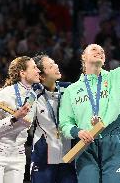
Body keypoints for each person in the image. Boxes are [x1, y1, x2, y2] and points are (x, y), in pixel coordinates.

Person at [59, 15, 120, 183]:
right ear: (83, 57)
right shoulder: (71, 91)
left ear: (104, 60)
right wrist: (77, 132)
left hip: (113, 140)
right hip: (86, 145)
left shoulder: (115, 79)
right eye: (94, 49)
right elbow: (64, 124)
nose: (99, 51)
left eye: (102, 52)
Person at [0, 56, 40, 183]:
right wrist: (14, 118)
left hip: (17, 155)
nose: (38, 71)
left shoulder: (33, 97)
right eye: (34, 67)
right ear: (22, 73)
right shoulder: (5, 94)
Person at [30, 54, 77, 183]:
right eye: (50, 66)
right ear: (41, 76)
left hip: (68, 154)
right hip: (43, 155)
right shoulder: (33, 94)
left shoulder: (69, 89)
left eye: (55, 63)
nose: (56, 66)